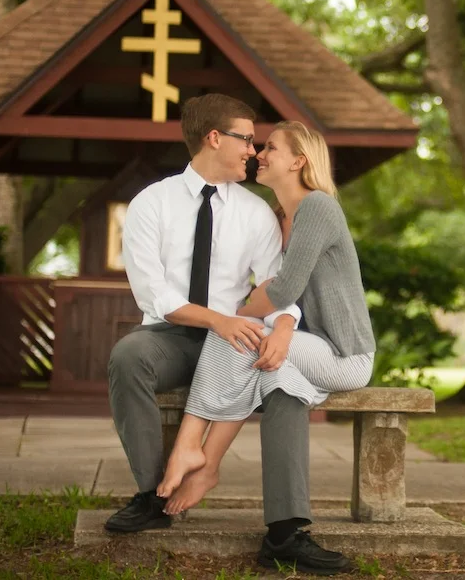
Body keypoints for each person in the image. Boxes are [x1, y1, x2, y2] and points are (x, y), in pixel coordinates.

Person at [104, 96, 339, 575]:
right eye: (246, 139)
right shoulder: (152, 203)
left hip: (236, 344)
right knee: (128, 356)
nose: (253, 150)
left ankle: (285, 531)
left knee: (285, 383)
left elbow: (277, 286)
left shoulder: (255, 213)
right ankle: (153, 496)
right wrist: (218, 320)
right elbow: (154, 295)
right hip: (171, 337)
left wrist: (283, 328)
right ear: (214, 138)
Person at [155, 120, 376, 576]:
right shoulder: (280, 217)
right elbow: (274, 295)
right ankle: (282, 535)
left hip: (344, 356)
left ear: (298, 161)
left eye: (271, 147)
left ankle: (193, 448)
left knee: (236, 330)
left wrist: (247, 310)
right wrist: (264, 312)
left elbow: (281, 291)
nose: (259, 153)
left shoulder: (318, 207)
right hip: (303, 350)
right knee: (272, 376)